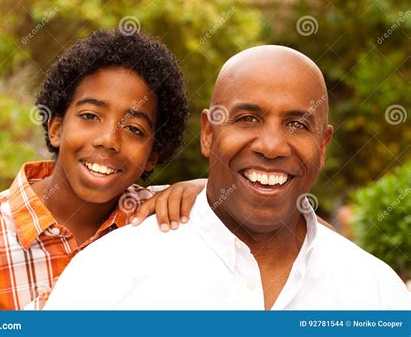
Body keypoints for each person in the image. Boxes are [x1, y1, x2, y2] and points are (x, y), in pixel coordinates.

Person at [43, 45, 411, 310]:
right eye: (247, 118)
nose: (270, 146)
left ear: (323, 144)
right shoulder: (108, 272)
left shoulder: (377, 293)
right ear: (208, 133)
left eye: (297, 124)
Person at [0, 29, 206, 310]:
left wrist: (199, 188)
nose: (108, 140)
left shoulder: (162, 218)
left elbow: (239, 204)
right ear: (56, 128)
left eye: (134, 129)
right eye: (90, 116)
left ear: (152, 156)